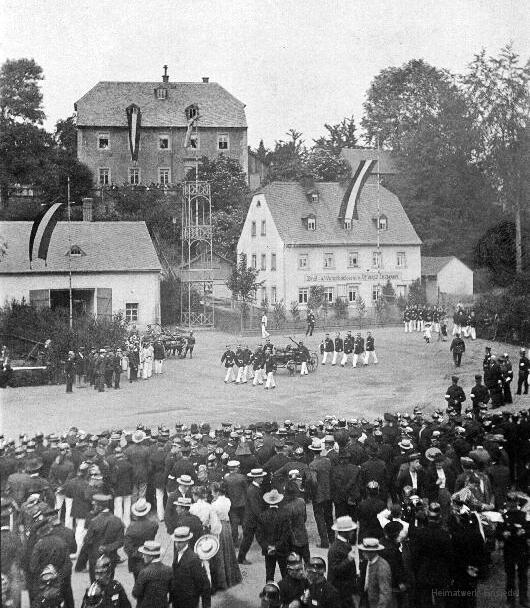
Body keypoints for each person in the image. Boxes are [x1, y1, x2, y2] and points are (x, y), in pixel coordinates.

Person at [76, 493, 125, 582]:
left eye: (95, 505)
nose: (93, 507)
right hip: (111, 557)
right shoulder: (118, 521)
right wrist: (107, 548)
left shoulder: (94, 521)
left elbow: (87, 541)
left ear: (99, 507)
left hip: (94, 558)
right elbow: (121, 542)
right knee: (109, 581)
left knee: (95, 584)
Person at [496, 493, 529, 608]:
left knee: (523, 575)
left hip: (522, 549)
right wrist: (503, 534)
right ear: (508, 502)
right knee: (510, 577)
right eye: (510, 501)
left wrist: (524, 532)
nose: (512, 503)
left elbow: (529, 530)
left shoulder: (525, 515)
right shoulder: (503, 517)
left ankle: (523, 598)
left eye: (514, 501)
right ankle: (510, 600)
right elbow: (498, 533)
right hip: (509, 550)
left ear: (517, 502)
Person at [209, 481, 242, 591]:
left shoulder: (214, 504)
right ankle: (231, 578)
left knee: (219, 553)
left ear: (217, 492)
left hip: (218, 527)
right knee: (228, 551)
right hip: (226, 526)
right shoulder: (227, 501)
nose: (212, 494)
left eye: (213, 492)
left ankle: (221, 581)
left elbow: (213, 519)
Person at [171, 526, 211, 608]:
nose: (177, 545)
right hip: (177, 600)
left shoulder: (194, 559)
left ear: (187, 541)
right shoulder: (177, 554)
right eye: (176, 542)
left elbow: (204, 584)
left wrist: (206, 606)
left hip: (189, 601)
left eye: (180, 542)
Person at [256, 488, 290, 582]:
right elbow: (286, 534)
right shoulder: (284, 515)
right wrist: (277, 546)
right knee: (285, 573)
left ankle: (269, 594)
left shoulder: (262, 516)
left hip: (268, 550)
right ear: (278, 501)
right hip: (282, 549)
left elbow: (259, 535)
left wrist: (267, 546)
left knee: (269, 574)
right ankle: (286, 593)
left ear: (268, 502)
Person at [124, 498, 159, 581]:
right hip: (150, 555)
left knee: (138, 583)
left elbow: (127, 548)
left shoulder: (131, 528)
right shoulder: (153, 525)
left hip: (135, 561)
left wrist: (139, 554)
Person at [327, 516, 358, 608]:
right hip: (339, 590)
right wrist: (348, 560)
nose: (353, 532)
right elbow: (335, 569)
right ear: (345, 532)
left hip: (346, 589)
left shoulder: (345, 544)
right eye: (351, 530)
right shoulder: (335, 548)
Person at [132, 540, 172, 608]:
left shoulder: (144, 572)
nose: (143, 556)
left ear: (151, 557)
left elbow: (136, 593)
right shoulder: (169, 570)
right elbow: (172, 590)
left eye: (144, 554)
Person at [238, 468, 266, 565]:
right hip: (251, 520)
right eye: (260, 477)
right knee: (247, 540)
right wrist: (262, 517)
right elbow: (255, 507)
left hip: (252, 518)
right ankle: (241, 558)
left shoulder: (255, 488)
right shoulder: (252, 490)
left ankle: (266, 551)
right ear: (255, 478)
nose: (262, 478)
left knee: (261, 535)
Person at [357, 537, 392, 608]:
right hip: (366, 599)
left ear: (372, 552)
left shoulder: (382, 567)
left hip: (376, 604)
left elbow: (385, 592)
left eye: (365, 551)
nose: (362, 553)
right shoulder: (366, 562)